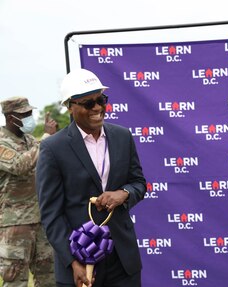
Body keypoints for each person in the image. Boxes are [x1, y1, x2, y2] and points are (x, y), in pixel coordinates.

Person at [36, 68, 147, 287]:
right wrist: (72, 262)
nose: (97, 108)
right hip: (80, 264)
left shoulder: (122, 137)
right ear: (70, 106)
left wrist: (123, 194)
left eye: (101, 100)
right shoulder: (52, 148)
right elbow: (51, 214)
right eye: (88, 103)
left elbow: (139, 183)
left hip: (123, 260)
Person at [0, 96, 57, 287]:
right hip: (15, 224)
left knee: (49, 277)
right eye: (24, 114)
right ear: (10, 117)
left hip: (41, 220)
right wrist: (47, 138)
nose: (29, 117)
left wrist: (51, 140)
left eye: (30, 113)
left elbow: (47, 162)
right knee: (15, 279)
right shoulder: (1, 142)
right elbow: (20, 165)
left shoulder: (31, 140)